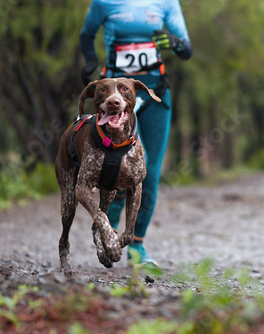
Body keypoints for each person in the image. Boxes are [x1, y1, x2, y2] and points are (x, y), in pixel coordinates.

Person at [79, 1, 192, 266]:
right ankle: (108, 230)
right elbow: (86, 35)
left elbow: (186, 50)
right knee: (111, 168)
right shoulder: (103, 3)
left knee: (149, 173)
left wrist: (174, 42)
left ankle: (136, 246)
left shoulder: (166, 3)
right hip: (114, 96)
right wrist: (91, 61)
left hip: (154, 93)